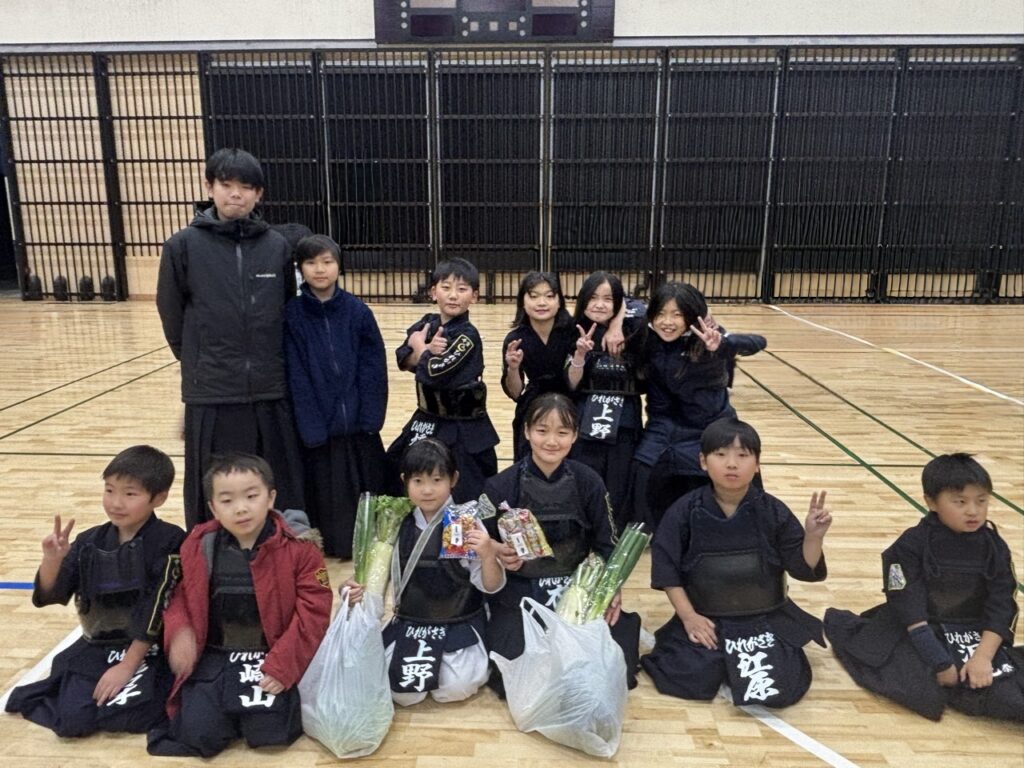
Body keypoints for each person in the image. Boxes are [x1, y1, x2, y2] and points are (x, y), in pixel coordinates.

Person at [147, 453, 333, 758]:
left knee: (269, 735)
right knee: (198, 735)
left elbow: (314, 612)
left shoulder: (300, 548)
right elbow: (178, 596)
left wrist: (283, 667)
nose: (241, 508)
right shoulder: (199, 543)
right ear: (213, 508)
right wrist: (180, 633)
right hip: (216, 655)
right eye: (227, 500)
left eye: (251, 496)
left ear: (271, 497)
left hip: (271, 653)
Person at [156, 147, 303, 529]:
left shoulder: (276, 246)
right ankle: (212, 550)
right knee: (213, 483)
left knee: (272, 481)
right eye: (226, 184)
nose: (236, 194)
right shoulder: (182, 246)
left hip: (269, 388)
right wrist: (200, 361)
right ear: (210, 187)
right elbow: (172, 315)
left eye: (246, 186)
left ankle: (275, 550)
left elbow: (285, 308)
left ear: (259, 194)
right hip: (212, 392)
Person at [642, 418, 832, 709]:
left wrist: (814, 537)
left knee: (781, 685)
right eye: (721, 454)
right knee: (688, 674)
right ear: (703, 462)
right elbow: (667, 571)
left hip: (764, 615)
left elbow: (802, 566)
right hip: (706, 614)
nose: (732, 464)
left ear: (757, 465)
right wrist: (689, 617)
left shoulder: (774, 511)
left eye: (743, 455)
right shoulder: (683, 511)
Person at [824, 453, 1023, 722]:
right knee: (921, 688)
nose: (973, 511)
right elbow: (909, 609)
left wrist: (983, 658)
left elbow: (1002, 606)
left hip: (970, 632)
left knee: (1008, 694)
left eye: (981, 501)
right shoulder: (911, 545)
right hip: (919, 631)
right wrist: (939, 661)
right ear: (931, 502)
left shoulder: (994, 547)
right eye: (960, 502)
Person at [6, 446, 185, 737]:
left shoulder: (170, 540)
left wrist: (127, 666)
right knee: (73, 722)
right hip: (98, 647)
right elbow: (51, 594)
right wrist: (52, 560)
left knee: (132, 717)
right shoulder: (89, 541)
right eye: (109, 490)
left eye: (130, 494)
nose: (116, 503)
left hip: (147, 647)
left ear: (159, 498)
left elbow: (157, 606)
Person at [481, 392, 641, 695]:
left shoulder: (589, 481)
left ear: (575, 435)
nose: (552, 441)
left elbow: (608, 544)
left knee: (615, 660)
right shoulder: (500, 485)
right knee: (511, 666)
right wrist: (498, 552)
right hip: (522, 591)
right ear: (527, 431)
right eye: (542, 430)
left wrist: (612, 587)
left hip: (576, 589)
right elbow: (480, 539)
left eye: (562, 432)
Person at [345, 439, 505, 705]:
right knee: (402, 693)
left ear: (453, 479)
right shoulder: (394, 522)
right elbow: (373, 586)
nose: (427, 490)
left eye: (437, 480)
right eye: (418, 481)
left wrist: (488, 554)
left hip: (459, 621)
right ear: (404, 481)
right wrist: (354, 590)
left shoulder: (464, 523)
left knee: (454, 689)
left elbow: (491, 586)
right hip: (412, 622)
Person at [284, 234, 388, 560]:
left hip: (358, 426)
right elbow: (296, 375)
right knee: (327, 491)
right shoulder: (292, 315)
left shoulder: (357, 311)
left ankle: (370, 541)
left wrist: (370, 416)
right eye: (311, 262)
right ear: (300, 268)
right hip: (320, 430)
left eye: (327, 261)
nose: (320, 269)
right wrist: (311, 425)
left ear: (339, 266)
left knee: (366, 485)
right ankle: (334, 544)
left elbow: (373, 367)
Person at [632, 282, 766, 527]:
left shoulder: (708, 337)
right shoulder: (647, 338)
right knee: (643, 468)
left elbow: (758, 342)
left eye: (677, 314)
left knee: (732, 462)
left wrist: (723, 344)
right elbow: (624, 307)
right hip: (663, 425)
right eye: (661, 314)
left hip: (711, 424)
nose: (667, 322)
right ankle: (651, 531)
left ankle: (743, 526)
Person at [386, 257, 499, 503]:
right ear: (433, 292)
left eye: (462, 289)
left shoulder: (468, 336)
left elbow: (435, 372)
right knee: (396, 466)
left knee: (465, 491)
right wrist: (423, 350)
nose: (453, 295)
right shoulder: (428, 322)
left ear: (474, 296)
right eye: (446, 288)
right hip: (427, 418)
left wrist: (420, 349)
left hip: (463, 426)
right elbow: (402, 357)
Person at [566, 271, 646, 530]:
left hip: (624, 423)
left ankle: (613, 534)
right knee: (585, 479)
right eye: (593, 298)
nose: (599, 305)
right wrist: (579, 355)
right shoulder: (572, 329)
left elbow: (641, 307)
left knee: (619, 483)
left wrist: (617, 324)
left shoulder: (633, 329)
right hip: (585, 420)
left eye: (608, 299)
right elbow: (571, 384)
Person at [500, 271, 578, 460]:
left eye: (549, 296)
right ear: (523, 301)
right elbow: (515, 392)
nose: (541, 303)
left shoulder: (573, 332)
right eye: (534, 296)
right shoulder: (515, 339)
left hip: (571, 402)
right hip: (533, 404)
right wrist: (513, 368)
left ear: (559, 301)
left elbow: (576, 380)